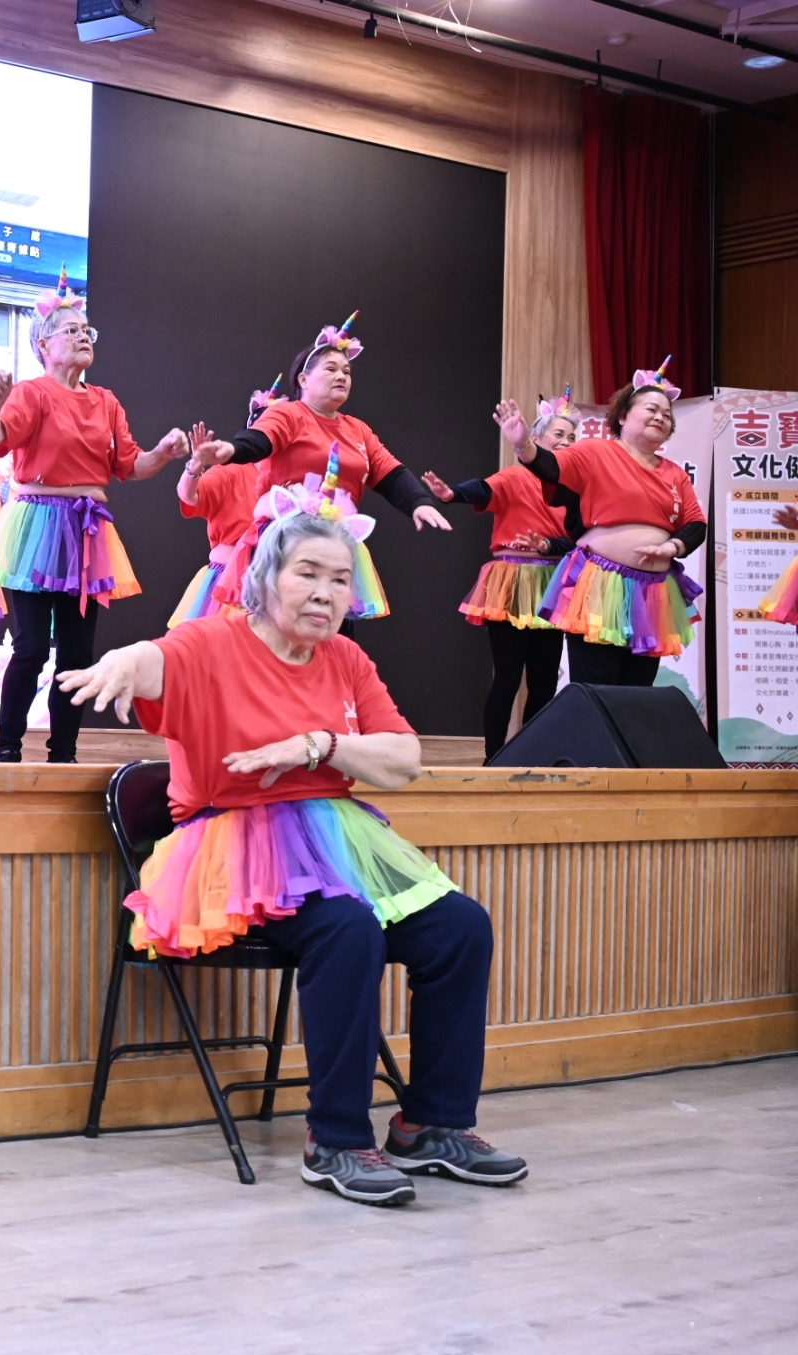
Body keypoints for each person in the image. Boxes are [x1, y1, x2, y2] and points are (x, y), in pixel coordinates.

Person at [57, 506, 527, 1207]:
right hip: (235, 848)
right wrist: (122, 661)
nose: (324, 593)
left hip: (338, 841)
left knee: (461, 927)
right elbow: (155, 661)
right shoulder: (211, 642)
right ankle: (336, 1140)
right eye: (307, 573)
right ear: (266, 577)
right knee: (347, 929)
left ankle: (430, 1124)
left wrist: (320, 746)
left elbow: (403, 759)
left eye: (339, 579)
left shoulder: (347, 660)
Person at [0, 276, 186, 763]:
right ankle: (7, 747)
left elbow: (130, 465)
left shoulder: (106, 401)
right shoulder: (32, 392)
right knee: (31, 647)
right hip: (36, 526)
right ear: (43, 345)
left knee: (75, 653)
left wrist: (163, 451)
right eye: (70, 330)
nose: (82, 336)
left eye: (86, 330)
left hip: (85, 528)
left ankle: (63, 753)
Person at [189, 312, 450, 618]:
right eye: (331, 368)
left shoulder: (358, 430)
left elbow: (390, 472)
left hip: (334, 541)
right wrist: (230, 449)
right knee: (286, 626)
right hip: (288, 541)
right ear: (303, 380)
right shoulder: (289, 415)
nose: (342, 376)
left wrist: (419, 502)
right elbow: (259, 440)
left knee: (330, 624)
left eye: (347, 371)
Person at [505, 362, 706, 686]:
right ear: (623, 415)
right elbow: (552, 466)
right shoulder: (595, 452)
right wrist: (523, 446)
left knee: (636, 692)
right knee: (595, 687)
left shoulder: (675, 474)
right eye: (651, 409)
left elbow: (696, 524)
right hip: (600, 585)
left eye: (667, 415)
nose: (660, 417)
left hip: (653, 593)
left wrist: (671, 547)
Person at [423, 389, 578, 758]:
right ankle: (494, 758)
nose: (566, 441)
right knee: (507, 678)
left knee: (544, 683)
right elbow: (483, 488)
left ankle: (533, 755)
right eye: (558, 434)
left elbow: (577, 539)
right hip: (511, 582)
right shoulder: (516, 476)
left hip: (552, 583)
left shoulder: (573, 489)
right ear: (535, 438)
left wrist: (549, 546)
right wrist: (451, 494)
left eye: (572, 437)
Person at [168, 378, 276, 628]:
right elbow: (189, 496)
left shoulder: (288, 479)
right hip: (227, 584)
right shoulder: (230, 471)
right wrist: (195, 467)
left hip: (273, 587)